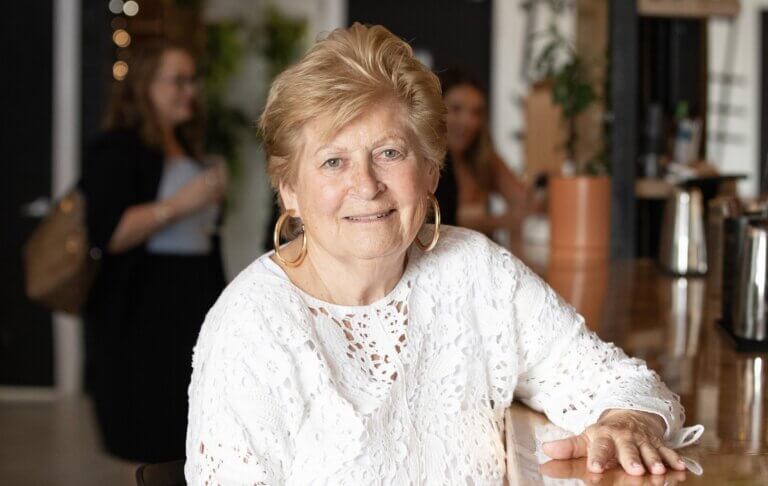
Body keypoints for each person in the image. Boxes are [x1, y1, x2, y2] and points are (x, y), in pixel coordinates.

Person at [185, 24, 701, 484]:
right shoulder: (251, 327)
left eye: (389, 153)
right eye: (333, 161)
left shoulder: (476, 270)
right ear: (289, 191)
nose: (366, 185)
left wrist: (625, 422)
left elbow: (619, 381)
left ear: (431, 170)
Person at [79, 40, 227, 462]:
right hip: (141, 316)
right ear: (144, 86)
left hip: (192, 303)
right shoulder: (116, 149)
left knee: (190, 435)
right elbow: (108, 234)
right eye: (177, 80)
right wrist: (184, 202)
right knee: (148, 439)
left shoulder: (188, 145)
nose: (190, 91)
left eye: (192, 80)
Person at [436, 67, 534, 235]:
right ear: (435, 111)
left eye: (476, 112)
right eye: (456, 109)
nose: (468, 122)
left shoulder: (484, 158)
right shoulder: (425, 162)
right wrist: (501, 220)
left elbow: (524, 202)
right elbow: (449, 221)